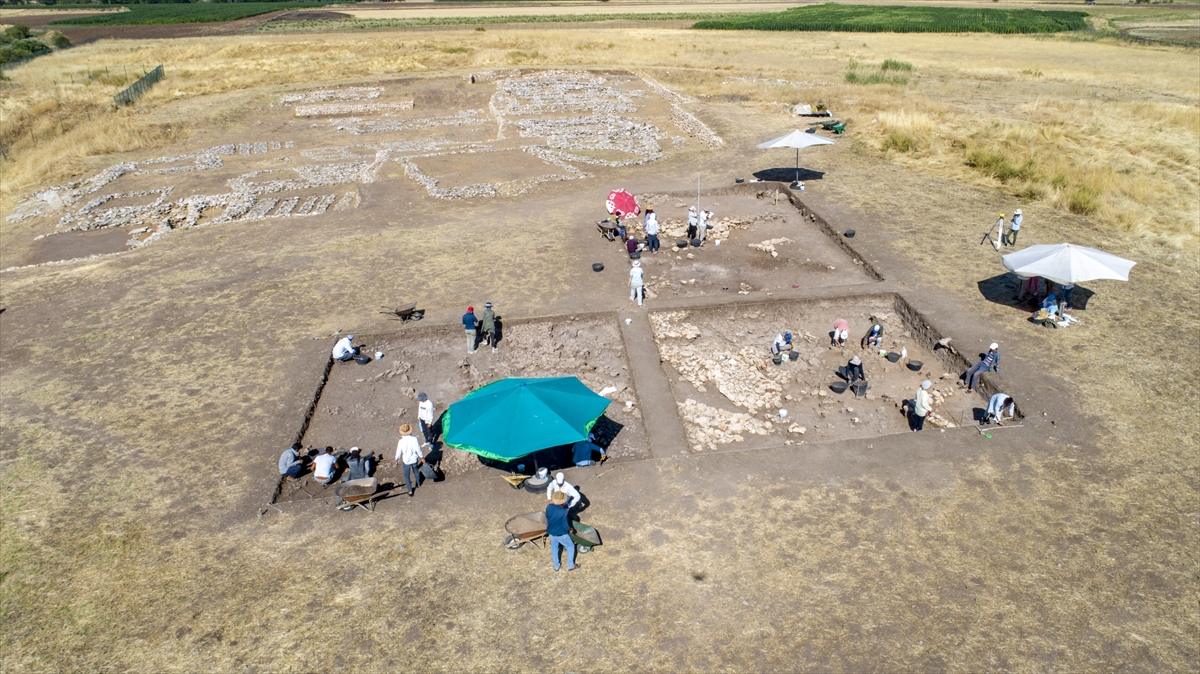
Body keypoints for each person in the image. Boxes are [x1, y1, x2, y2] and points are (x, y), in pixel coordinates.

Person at [546, 490, 580, 572]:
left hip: (551, 530)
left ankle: (556, 566)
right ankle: (570, 565)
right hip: (560, 533)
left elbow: (547, 516)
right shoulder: (563, 511)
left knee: (554, 547)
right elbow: (565, 524)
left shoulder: (549, 507)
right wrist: (570, 529)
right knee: (570, 546)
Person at [393, 424, 424, 497]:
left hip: (406, 461)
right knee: (416, 471)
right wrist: (422, 457)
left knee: (407, 476)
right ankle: (418, 484)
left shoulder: (401, 441)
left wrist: (396, 460)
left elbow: (398, 452)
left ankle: (410, 490)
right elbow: (418, 449)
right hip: (414, 459)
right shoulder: (414, 439)